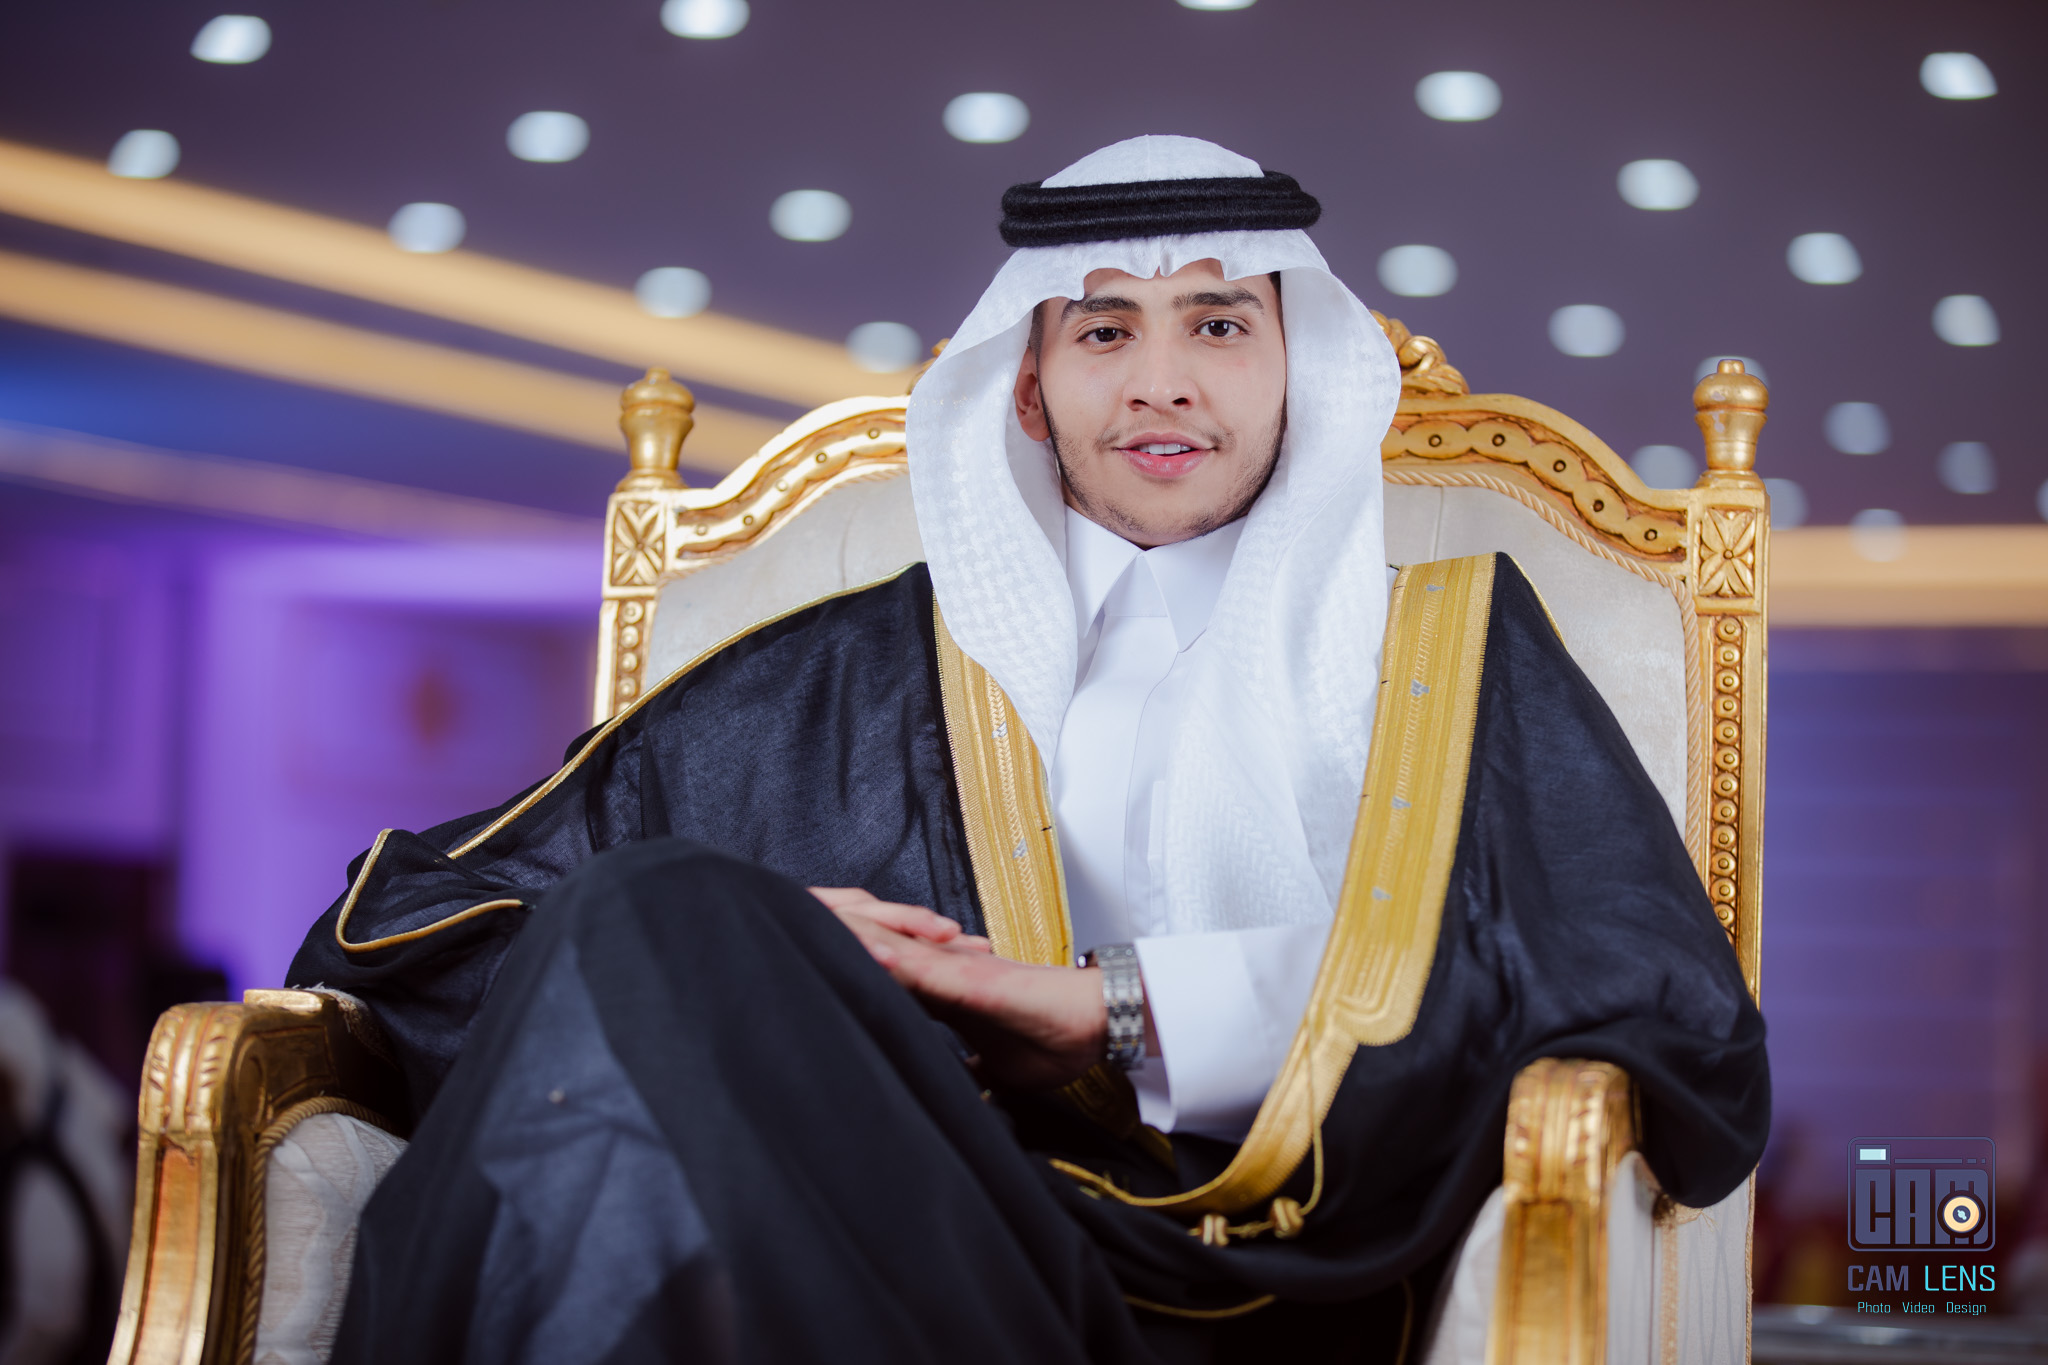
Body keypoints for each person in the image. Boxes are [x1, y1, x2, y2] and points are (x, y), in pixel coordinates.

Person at [292, 135, 1769, 1364]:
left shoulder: (1454, 647)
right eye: (1106, 330)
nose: (1163, 383)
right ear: (1027, 384)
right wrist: (782, 952)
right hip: (888, 1247)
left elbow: (1669, 1021)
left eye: (1218, 325)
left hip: (1269, 1290)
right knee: (651, 919)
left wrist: (1116, 1009)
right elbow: (405, 929)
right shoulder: (839, 675)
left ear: (1298, 367)